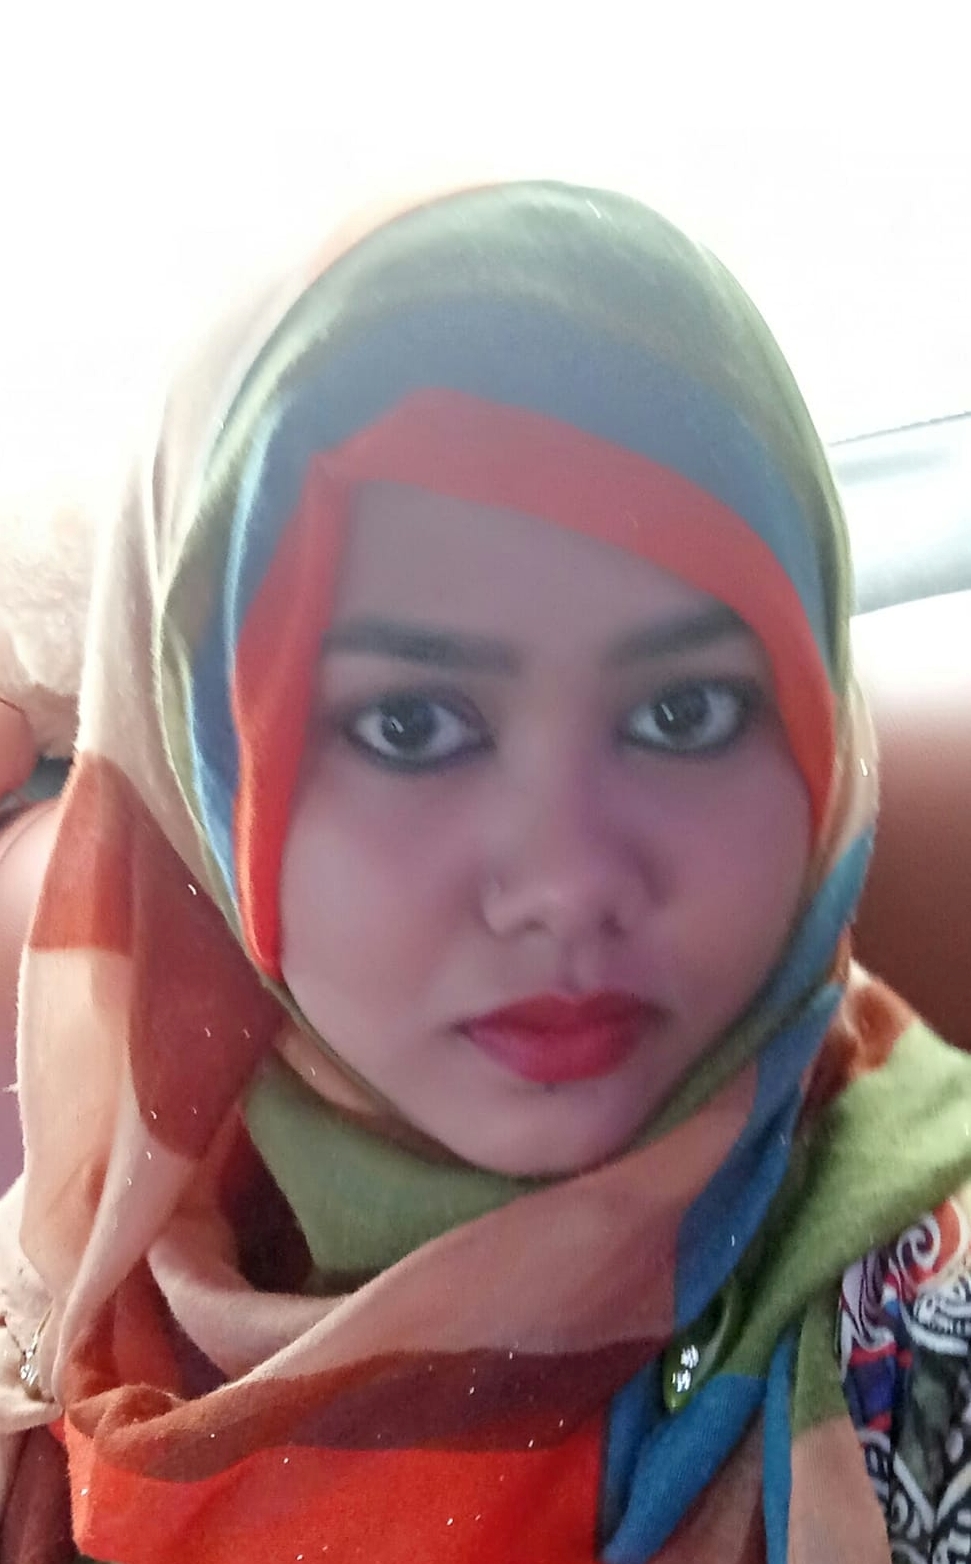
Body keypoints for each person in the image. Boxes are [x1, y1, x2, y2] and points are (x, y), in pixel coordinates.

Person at [1, 179, 970, 1564]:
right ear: (207, 781)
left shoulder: (915, 1330)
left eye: (684, 711)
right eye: (411, 725)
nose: (566, 885)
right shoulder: (86, 1281)